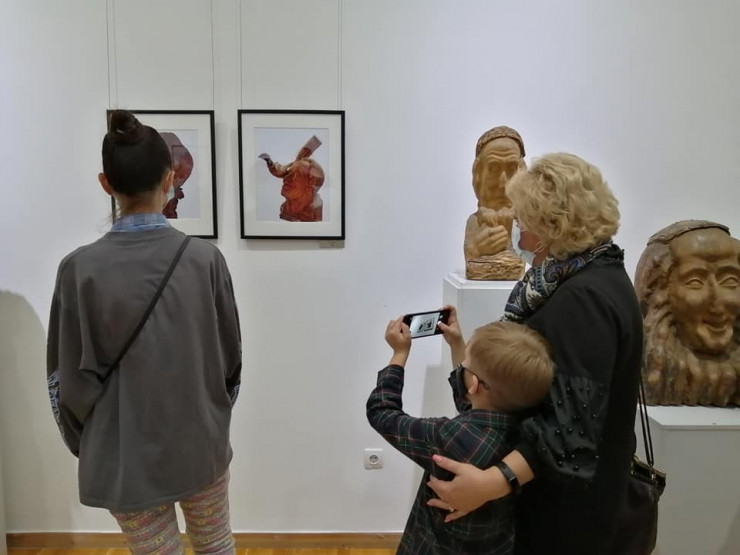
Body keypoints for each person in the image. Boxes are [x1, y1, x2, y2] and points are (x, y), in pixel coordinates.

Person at [426, 153, 644, 554]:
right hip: (569, 500)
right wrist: (461, 347)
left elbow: (569, 428)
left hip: (566, 516)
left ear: (550, 226)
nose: (518, 232)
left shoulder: (584, 299)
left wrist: (488, 484)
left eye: (523, 220)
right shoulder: (594, 276)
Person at [46, 110, 242, 555]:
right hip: (200, 442)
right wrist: (211, 418)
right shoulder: (205, 260)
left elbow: (65, 379)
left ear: (105, 183)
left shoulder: (78, 270)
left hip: (122, 452)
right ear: (170, 179)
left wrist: (87, 443)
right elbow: (231, 362)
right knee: (216, 545)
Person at [367, 311, 554, 554]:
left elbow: (382, 413)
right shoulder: (526, 432)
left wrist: (399, 354)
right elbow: (471, 404)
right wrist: (457, 343)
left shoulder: (449, 436)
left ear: (474, 383)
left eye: (465, 364)